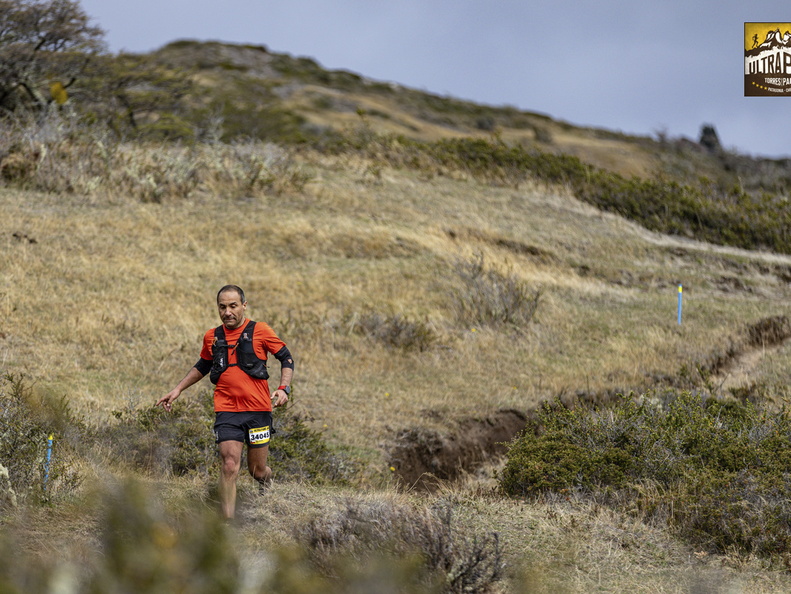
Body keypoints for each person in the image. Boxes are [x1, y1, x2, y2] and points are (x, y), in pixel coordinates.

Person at [156, 284, 294, 519]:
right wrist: (177, 389)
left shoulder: (260, 330)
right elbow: (203, 365)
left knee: (256, 471)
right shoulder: (212, 336)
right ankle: (227, 522)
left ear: (244, 306)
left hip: (258, 410)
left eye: (233, 306)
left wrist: (283, 389)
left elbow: (286, 358)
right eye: (222, 307)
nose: (227, 312)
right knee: (230, 465)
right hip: (227, 410)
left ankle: (266, 483)